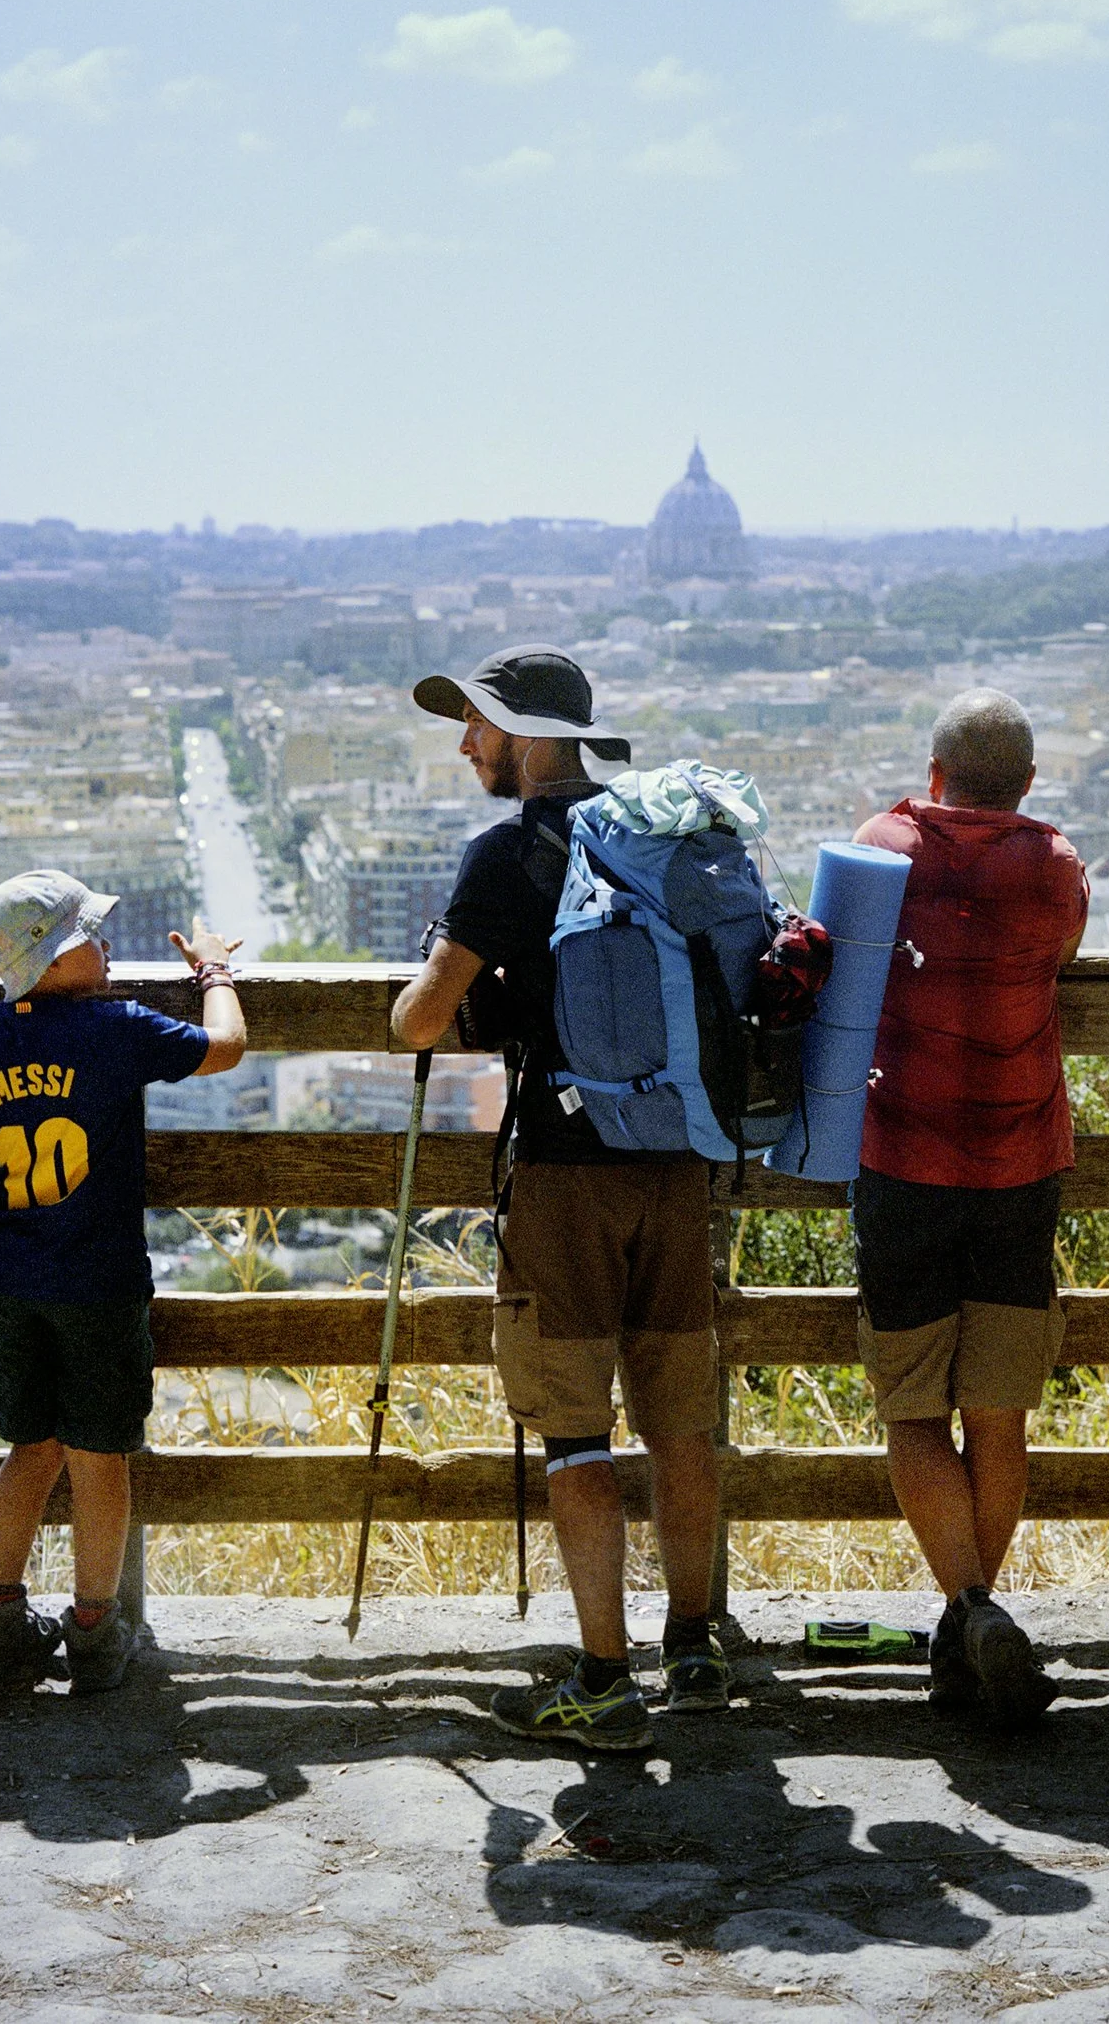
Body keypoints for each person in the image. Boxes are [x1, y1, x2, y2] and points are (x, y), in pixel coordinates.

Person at [392, 648, 725, 1752]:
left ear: (527, 735)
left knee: (577, 1430)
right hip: (679, 1158)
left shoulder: (508, 853)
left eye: (477, 725)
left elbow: (419, 1021)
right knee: (681, 1418)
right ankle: (695, 1649)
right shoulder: (660, 835)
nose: (465, 745)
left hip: (564, 1170)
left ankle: (602, 1676)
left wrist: (428, 964)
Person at [0, 870, 246, 1695]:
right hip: (101, 1280)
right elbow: (225, 1047)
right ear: (49, 961)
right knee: (101, 1455)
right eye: (89, 936)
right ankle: (94, 1630)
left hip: (10, 1285)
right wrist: (215, 972)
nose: (107, 945)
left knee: (31, 1448)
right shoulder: (112, 1029)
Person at [850, 688, 1089, 1726]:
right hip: (1018, 1163)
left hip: (902, 1157)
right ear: (1027, 782)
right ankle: (976, 1622)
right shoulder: (1055, 866)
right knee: (999, 1410)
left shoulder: (882, 842)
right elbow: (1063, 958)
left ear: (934, 770)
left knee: (911, 1402)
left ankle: (967, 1609)